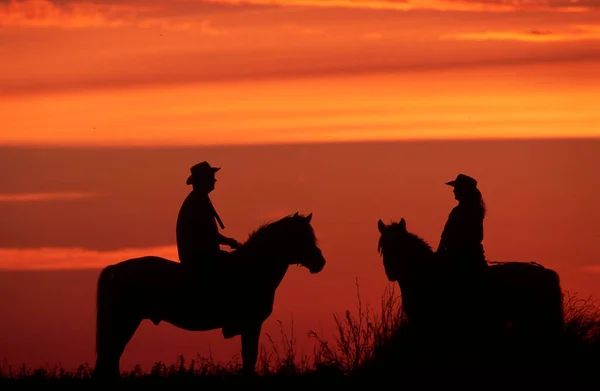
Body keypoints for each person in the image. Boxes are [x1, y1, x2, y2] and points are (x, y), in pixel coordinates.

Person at [176, 161, 241, 272]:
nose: (215, 180)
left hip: (200, 255)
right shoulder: (197, 202)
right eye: (211, 177)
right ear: (203, 180)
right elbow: (207, 234)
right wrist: (229, 241)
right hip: (199, 259)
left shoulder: (199, 199)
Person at [436, 173, 487, 272]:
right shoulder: (475, 210)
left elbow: (447, 236)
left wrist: (440, 252)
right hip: (471, 257)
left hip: (460, 259)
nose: (453, 190)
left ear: (464, 190)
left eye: (456, 188)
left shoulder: (461, 211)